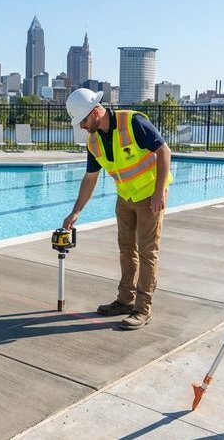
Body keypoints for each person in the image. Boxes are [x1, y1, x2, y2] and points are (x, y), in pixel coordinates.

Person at [62, 88, 172, 330]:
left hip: (150, 196)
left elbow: (164, 151)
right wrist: (76, 211)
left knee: (147, 252)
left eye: (83, 121)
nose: (82, 127)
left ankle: (143, 309)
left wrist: (159, 192)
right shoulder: (94, 142)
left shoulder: (133, 123)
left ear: (95, 111)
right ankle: (125, 300)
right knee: (126, 249)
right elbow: (90, 178)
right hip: (125, 197)